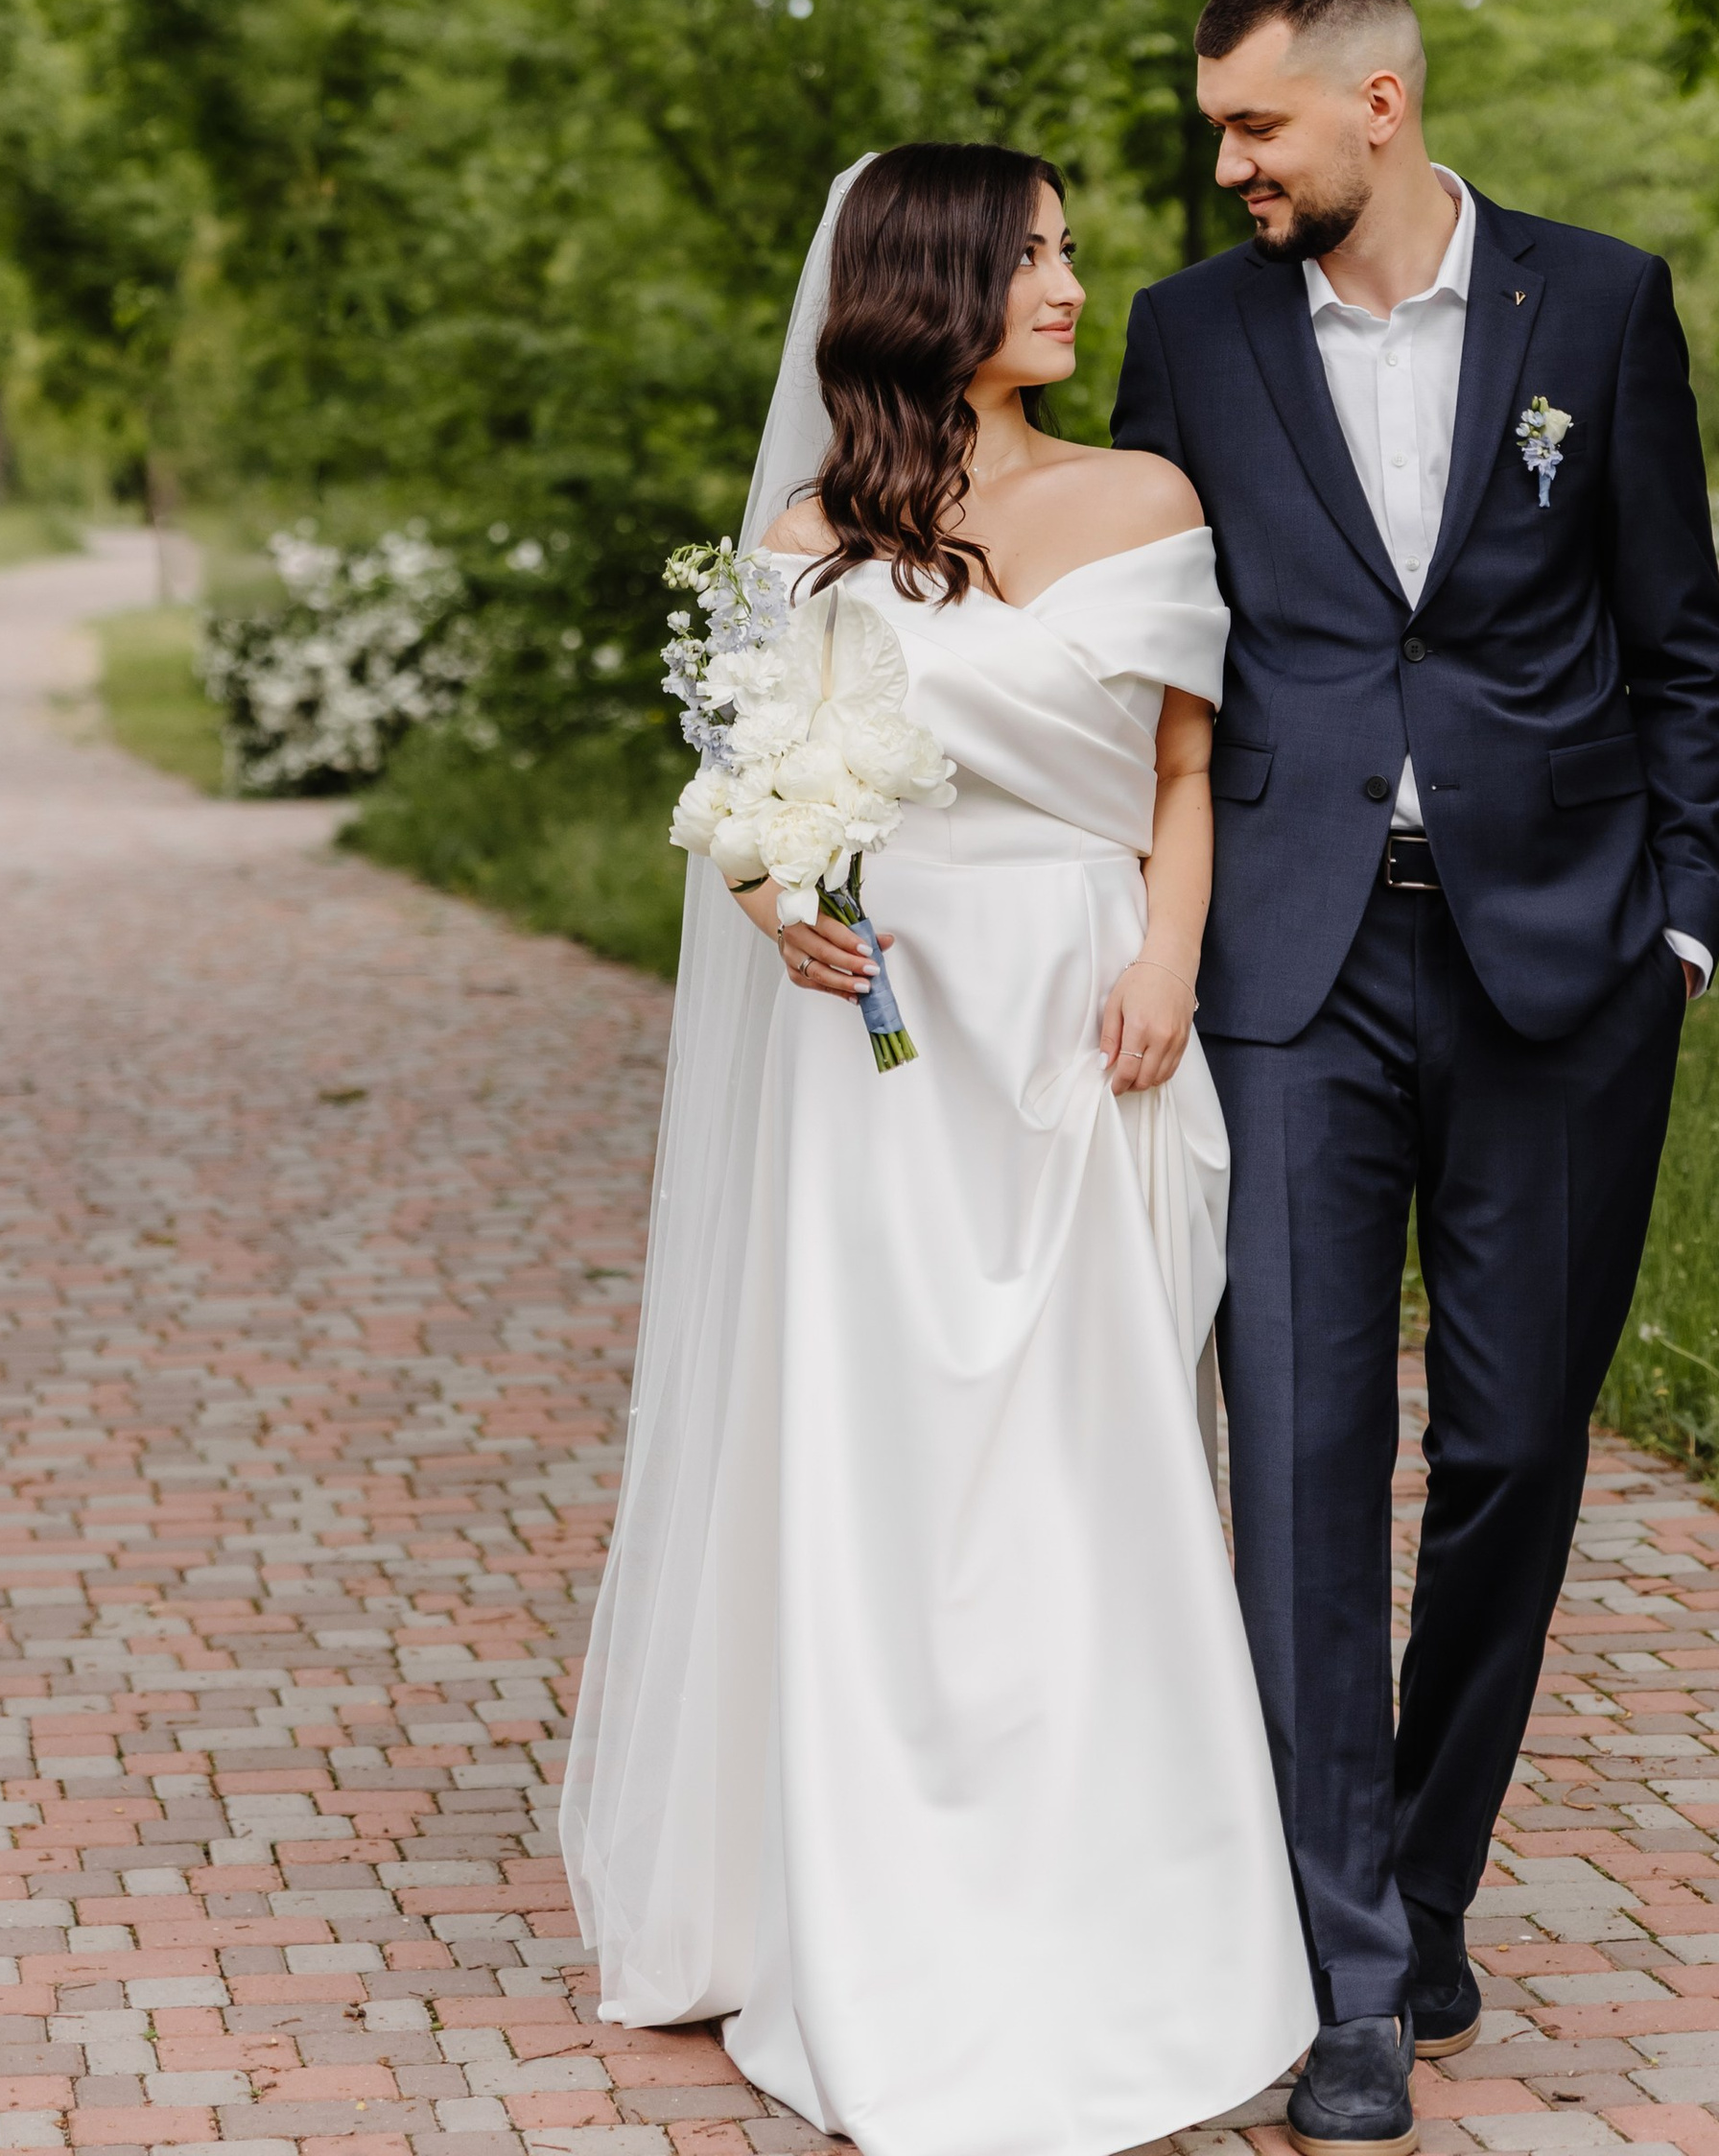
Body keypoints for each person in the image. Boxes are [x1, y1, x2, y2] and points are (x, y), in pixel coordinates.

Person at [562, 142, 1314, 2156]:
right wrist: (768, 898)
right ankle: (881, 1907)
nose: (1073, 286)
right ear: (930, 286)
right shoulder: (812, 529)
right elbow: (745, 790)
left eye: (1071, 251)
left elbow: (1180, 763)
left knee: (1095, 1458)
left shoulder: (1142, 496)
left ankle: (1120, 1917)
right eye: (1035, 256)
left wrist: (1165, 959)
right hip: (882, 1050)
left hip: (1083, 1021)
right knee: (889, 1470)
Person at [1112, 0, 1719, 2156]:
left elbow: (1680, 639)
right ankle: (1346, 1978)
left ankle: (1424, 1867)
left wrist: (1682, 919)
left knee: (1508, 1456)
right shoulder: (1188, 337)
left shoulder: (1594, 302)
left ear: (1376, 103)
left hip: (1561, 967)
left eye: (1253, 124)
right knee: (1294, 1463)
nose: (1224, 164)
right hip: (1288, 977)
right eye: (1217, 125)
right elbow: (1142, 655)